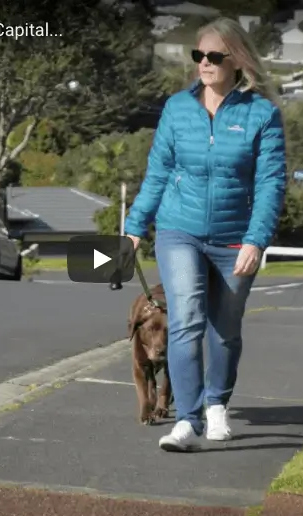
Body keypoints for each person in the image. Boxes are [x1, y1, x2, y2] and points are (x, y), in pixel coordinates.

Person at [123, 17, 287, 452]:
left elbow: (271, 183)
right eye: (200, 56)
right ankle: (188, 422)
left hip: (236, 237)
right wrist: (135, 227)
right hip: (180, 231)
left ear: (238, 60)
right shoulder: (177, 108)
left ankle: (217, 404)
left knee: (225, 330)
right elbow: (158, 172)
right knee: (186, 322)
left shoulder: (262, 114)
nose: (206, 64)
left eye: (215, 56)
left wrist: (256, 239)